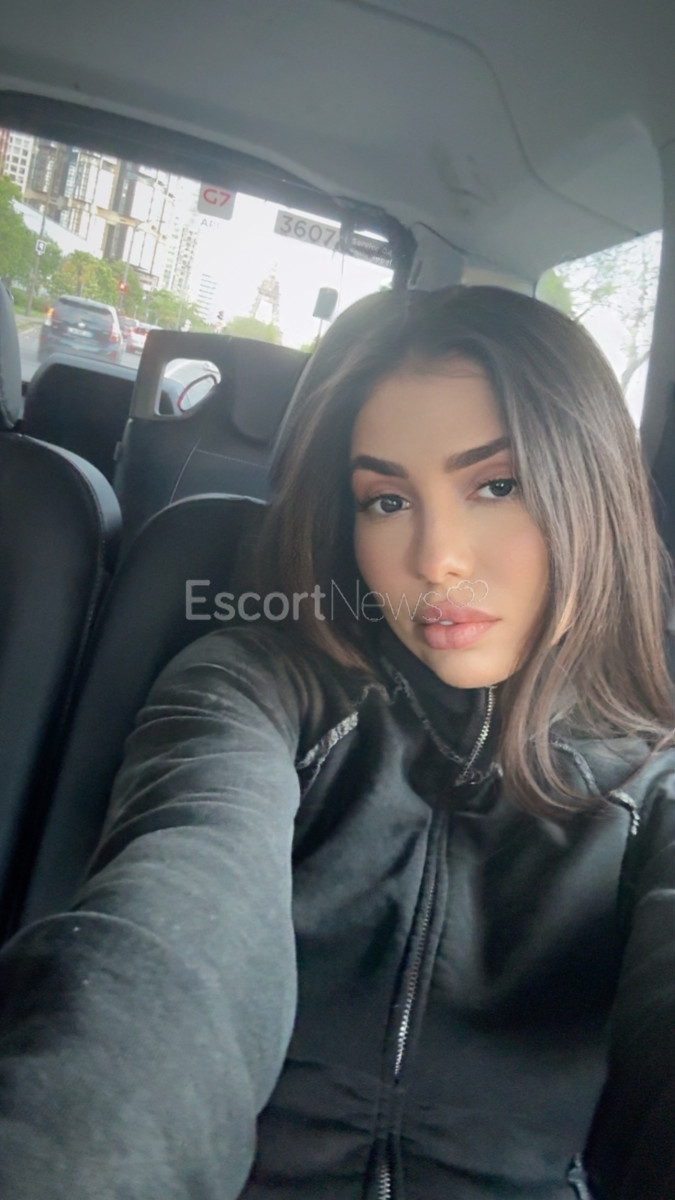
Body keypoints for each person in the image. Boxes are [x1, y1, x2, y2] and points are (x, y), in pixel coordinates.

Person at [0, 286, 672, 1199]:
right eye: (385, 500)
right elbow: (168, 934)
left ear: (591, 490)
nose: (435, 558)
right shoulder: (257, 687)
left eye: (496, 485)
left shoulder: (652, 786)